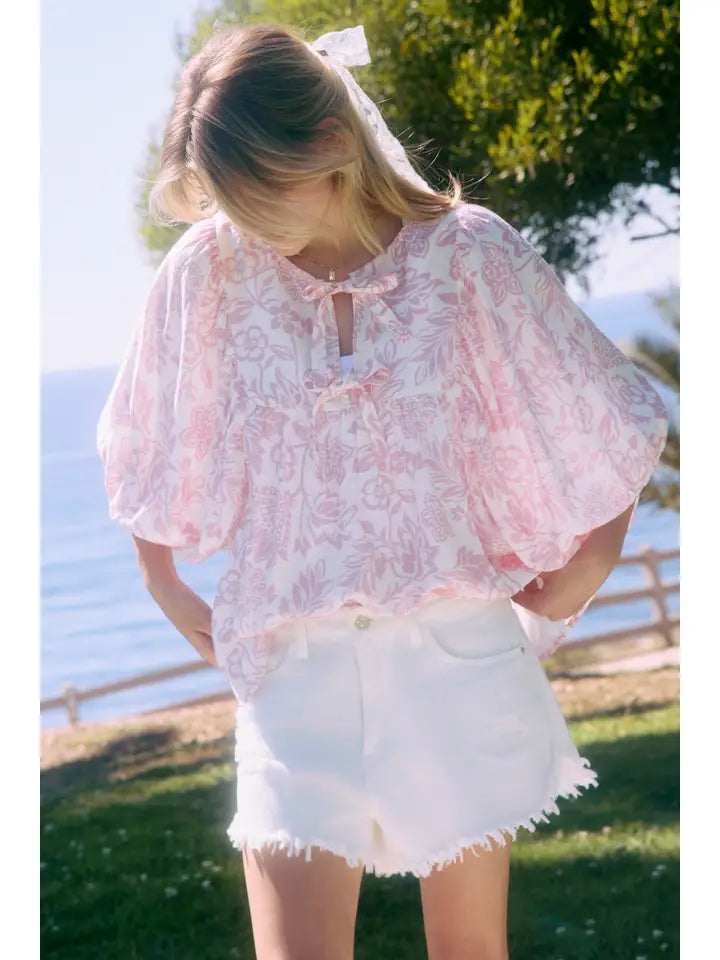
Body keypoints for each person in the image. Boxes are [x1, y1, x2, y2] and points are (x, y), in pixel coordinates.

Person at [96, 21, 669, 960]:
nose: (242, 221)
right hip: (291, 676)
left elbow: (602, 406)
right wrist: (162, 580)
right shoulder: (206, 271)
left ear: (329, 142)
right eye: (225, 199)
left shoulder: (472, 254)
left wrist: (596, 558)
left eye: (256, 194)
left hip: (460, 661)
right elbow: (146, 431)